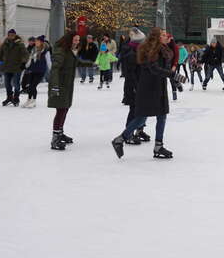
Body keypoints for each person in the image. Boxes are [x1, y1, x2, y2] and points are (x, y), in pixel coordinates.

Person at [111, 27, 186, 159]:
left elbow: (164, 69)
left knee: (161, 116)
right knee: (141, 117)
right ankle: (120, 139)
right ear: (157, 37)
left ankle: (158, 146)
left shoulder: (163, 50)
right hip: (149, 89)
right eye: (163, 35)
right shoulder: (151, 51)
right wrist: (174, 75)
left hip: (159, 87)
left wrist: (175, 81)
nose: (166, 36)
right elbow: (154, 69)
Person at [48, 32, 94, 150]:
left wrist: (92, 63)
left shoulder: (70, 51)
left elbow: (77, 62)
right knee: (61, 110)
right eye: (75, 40)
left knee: (65, 108)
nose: (77, 42)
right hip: (60, 84)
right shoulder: (61, 51)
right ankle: (55, 138)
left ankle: (60, 133)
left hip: (67, 85)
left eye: (78, 40)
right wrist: (55, 86)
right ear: (69, 40)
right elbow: (55, 69)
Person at [120, 27, 149, 144]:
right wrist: (136, 87)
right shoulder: (131, 53)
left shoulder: (139, 51)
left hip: (140, 84)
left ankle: (139, 129)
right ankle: (128, 133)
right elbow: (131, 73)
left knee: (143, 108)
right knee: (134, 109)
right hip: (133, 86)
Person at [0, 29, 29, 106]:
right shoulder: (5, 44)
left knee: (16, 83)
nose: (11, 36)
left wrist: (23, 62)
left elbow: (25, 54)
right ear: (8, 35)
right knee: (7, 84)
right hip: (7, 67)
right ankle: (9, 97)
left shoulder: (19, 44)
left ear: (15, 35)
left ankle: (16, 98)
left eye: (12, 35)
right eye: (9, 35)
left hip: (17, 67)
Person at [22, 36, 51, 108]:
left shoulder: (46, 51)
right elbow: (30, 59)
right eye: (36, 41)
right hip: (32, 70)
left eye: (37, 41)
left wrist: (52, 71)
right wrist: (25, 66)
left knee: (33, 86)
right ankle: (29, 100)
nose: (36, 42)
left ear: (41, 42)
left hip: (40, 71)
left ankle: (34, 101)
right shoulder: (33, 49)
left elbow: (49, 62)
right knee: (30, 85)